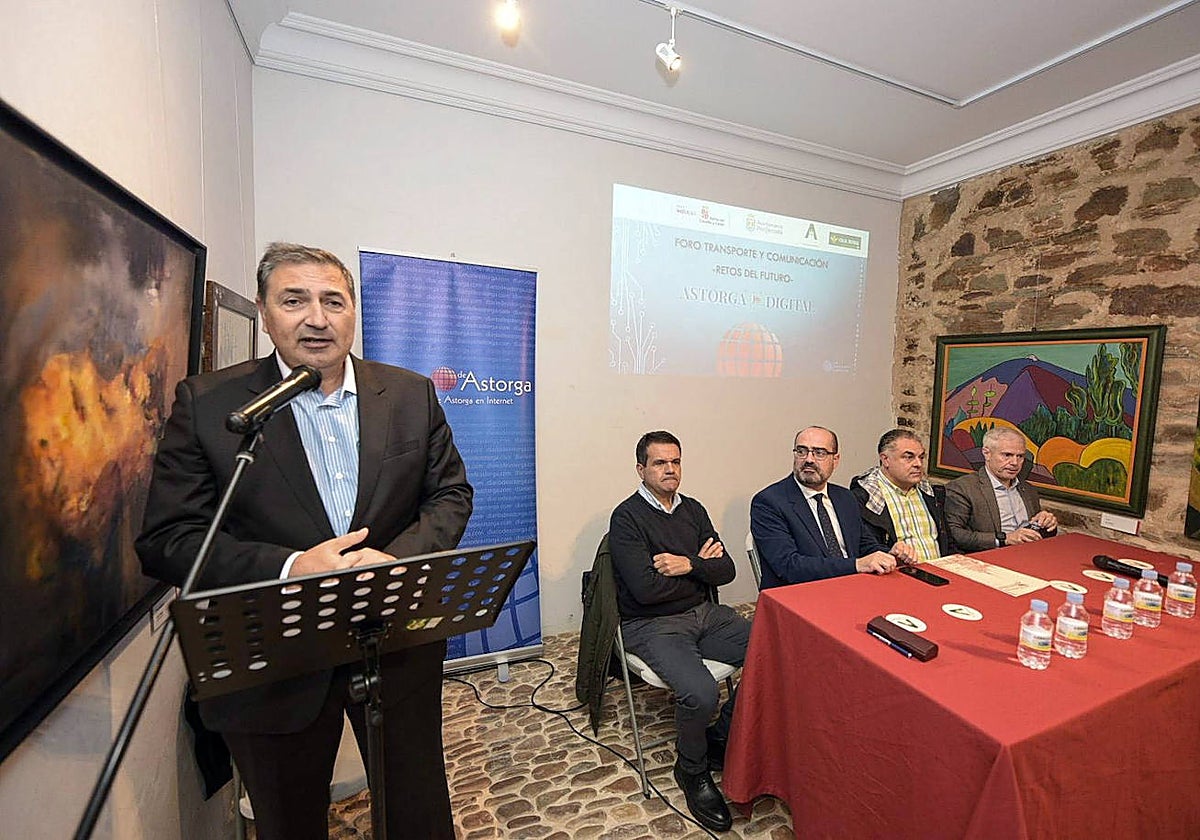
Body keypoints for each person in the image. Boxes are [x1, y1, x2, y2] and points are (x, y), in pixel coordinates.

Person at [136, 242, 473, 840]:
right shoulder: (211, 404)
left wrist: (394, 560)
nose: (317, 318)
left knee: (416, 808)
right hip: (273, 653)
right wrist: (292, 565)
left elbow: (450, 495)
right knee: (289, 820)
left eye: (333, 302)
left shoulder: (409, 394)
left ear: (353, 313)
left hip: (393, 640)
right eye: (294, 301)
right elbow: (169, 539)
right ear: (265, 314)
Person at [608, 431, 750, 833]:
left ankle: (719, 738)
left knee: (774, 649)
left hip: (703, 613)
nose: (670, 469)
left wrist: (686, 564)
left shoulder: (694, 509)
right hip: (650, 624)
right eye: (660, 463)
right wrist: (701, 567)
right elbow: (646, 591)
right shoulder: (626, 517)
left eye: (675, 461)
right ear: (641, 469)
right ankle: (691, 768)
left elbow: (727, 570)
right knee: (701, 692)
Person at [751, 426, 903, 589]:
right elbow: (790, 566)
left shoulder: (845, 497)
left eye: (819, 453)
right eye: (801, 451)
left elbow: (864, 544)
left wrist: (889, 554)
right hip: (801, 592)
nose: (809, 459)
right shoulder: (769, 502)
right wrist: (856, 565)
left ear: (835, 460)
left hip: (853, 586)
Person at [944, 426, 1058, 552]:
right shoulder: (963, 488)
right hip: (988, 557)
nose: (1015, 462)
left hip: (1028, 554)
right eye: (1007, 455)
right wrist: (1005, 539)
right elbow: (955, 534)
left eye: (1020, 456)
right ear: (987, 453)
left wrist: (1047, 524)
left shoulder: (1028, 490)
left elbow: (1035, 534)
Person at [850, 429, 949, 563]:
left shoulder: (931, 493)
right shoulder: (864, 498)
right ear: (885, 460)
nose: (918, 464)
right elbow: (864, 549)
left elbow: (948, 543)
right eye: (909, 457)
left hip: (940, 568)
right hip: (897, 572)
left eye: (921, 457)